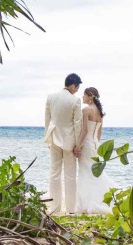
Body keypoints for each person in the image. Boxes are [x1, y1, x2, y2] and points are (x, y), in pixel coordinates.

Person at [44, 73, 83, 215]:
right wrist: (78, 145)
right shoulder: (75, 101)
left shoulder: (51, 97)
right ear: (73, 85)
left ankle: (54, 208)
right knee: (70, 176)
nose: (77, 90)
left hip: (53, 138)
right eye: (77, 87)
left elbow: (47, 120)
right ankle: (71, 209)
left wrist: (48, 138)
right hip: (69, 141)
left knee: (54, 173)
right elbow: (77, 124)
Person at [74, 87, 114, 215]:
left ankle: (87, 203)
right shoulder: (100, 112)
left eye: (84, 95)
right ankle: (101, 199)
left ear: (90, 96)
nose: (82, 97)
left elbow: (84, 131)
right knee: (93, 173)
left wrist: (78, 146)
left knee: (85, 173)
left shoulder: (86, 110)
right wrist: (96, 145)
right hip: (95, 144)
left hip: (87, 144)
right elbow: (99, 132)